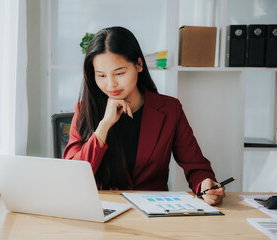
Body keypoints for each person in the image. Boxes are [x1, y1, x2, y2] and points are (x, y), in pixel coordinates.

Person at [63, 26, 225, 205]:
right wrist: (103, 126)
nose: (111, 84)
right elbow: (71, 176)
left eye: (120, 73)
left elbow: (196, 167)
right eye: (101, 75)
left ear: (139, 64)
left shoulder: (170, 109)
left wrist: (204, 185)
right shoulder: (84, 110)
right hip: (104, 211)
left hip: (155, 211)